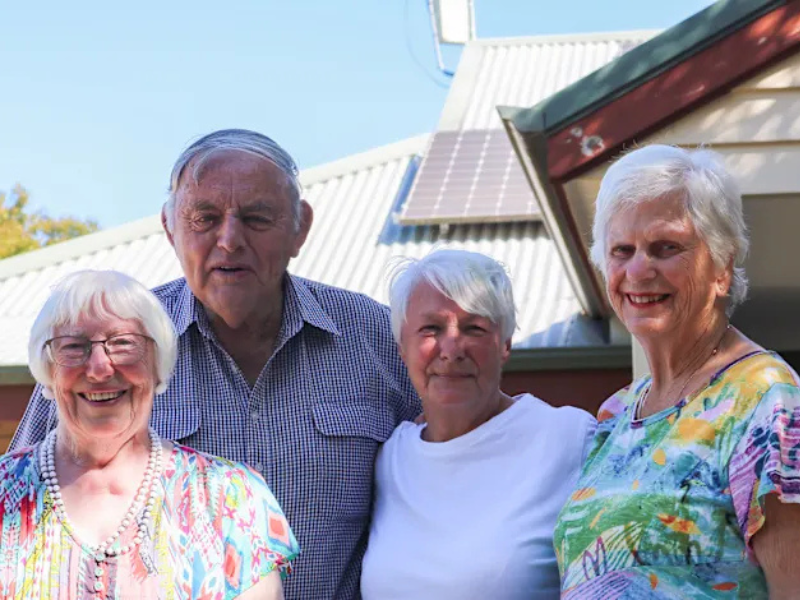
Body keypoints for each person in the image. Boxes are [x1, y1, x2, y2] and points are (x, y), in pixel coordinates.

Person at [10, 129, 421, 600]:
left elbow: (451, 476)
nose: (229, 240)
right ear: (170, 227)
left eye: (256, 218)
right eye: (204, 218)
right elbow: (29, 501)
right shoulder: (112, 354)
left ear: (300, 228)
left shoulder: (377, 338)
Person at [554, 145, 800, 598]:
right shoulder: (615, 414)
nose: (639, 269)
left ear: (722, 267)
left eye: (666, 247)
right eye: (621, 250)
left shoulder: (766, 400)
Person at [0, 270, 298, 599]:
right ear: (46, 369)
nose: (99, 368)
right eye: (73, 346)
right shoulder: (5, 494)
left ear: (158, 365)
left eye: (123, 344)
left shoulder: (231, 498)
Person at [360, 249, 596, 600]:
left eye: (474, 328)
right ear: (401, 348)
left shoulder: (569, 439)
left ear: (505, 345)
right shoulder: (390, 458)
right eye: (431, 328)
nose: (452, 348)